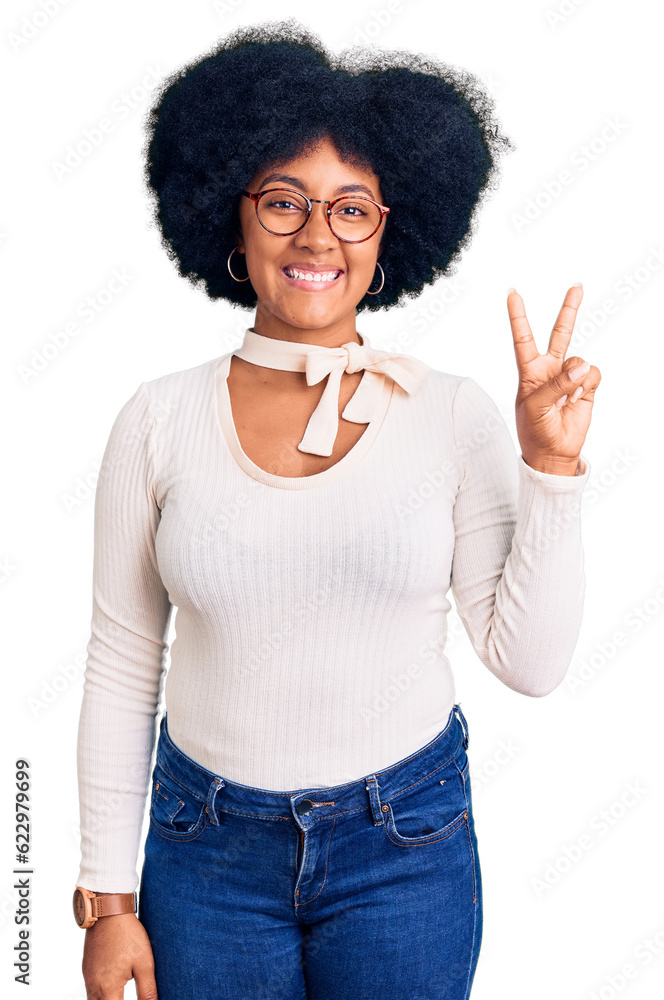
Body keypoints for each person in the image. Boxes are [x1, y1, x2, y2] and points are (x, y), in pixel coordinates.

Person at [73, 19, 601, 1000]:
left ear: (390, 229)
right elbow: (118, 664)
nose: (316, 236)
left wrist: (552, 466)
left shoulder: (451, 415)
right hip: (205, 854)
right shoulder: (157, 419)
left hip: (404, 845)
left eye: (350, 209)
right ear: (232, 217)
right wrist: (106, 903)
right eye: (284, 202)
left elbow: (529, 665)